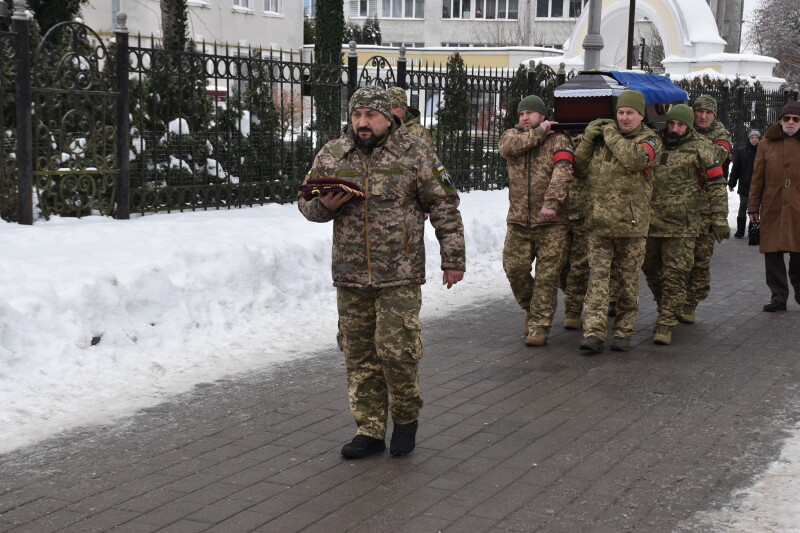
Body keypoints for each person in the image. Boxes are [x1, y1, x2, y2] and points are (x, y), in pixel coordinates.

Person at [298, 86, 466, 459]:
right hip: (351, 274)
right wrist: (322, 207)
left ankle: (405, 419)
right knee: (359, 354)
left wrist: (453, 259)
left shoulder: (414, 152)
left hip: (400, 273)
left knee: (396, 352)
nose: (362, 123)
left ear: (387, 119)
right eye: (357, 115)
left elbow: (443, 204)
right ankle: (369, 429)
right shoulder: (333, 153)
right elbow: (305, 203)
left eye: (370, 116)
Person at [573, 90, 661, 353]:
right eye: (620, 112)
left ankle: (623, 332)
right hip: (599, 225)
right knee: (597, 281)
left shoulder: (651, 140)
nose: (624, 117)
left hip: (631, 226)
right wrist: (588, 140)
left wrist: (609, 133)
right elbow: (578, 168)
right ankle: (594, 333)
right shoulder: (601, 140)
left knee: (627, 282)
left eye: (629, 113)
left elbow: (634, 159)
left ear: (641, 115)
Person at [642, 104, 727, 345]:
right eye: (671, 124)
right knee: (651, 271)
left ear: (688, 127)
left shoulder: (702, 148)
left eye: (680, 125)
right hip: (651, 223)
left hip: (684, 226)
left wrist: (719, 218)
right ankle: (668, 306)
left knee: (675, 274)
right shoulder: (654, 144)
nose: (674, 129)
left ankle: (666, 322)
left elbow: (716, 184)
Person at [498, 95, 573, 346]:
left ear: (543, 115)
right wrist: (538, 133)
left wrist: (551, 203)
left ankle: (540, 326)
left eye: (530, 113)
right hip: (519, 221)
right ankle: (532, 308)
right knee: (514, 269)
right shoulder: (512, 136)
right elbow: (507, 149)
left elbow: (563, 172)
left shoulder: (559, 140)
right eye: (521, 114)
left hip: (552, 223)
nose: (524, 118)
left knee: (547, 277)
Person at [681, 94, 732, 323]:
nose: (702, 116)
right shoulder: (680, 128)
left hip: (706, 208)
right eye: (699, 111)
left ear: (714, 116)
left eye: (708, 112)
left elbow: (714, 155)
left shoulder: (721, 135)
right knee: (677, 261)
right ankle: (675, 300)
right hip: (681, 208)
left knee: (700, 261)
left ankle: (691, 303)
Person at [747, 100, 800, 312]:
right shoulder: (765, 144)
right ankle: (778, 297)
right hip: (773, 203)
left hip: (798, 204)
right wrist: (752, 207)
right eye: (786, 118)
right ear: (780, 121)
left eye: (795, 119)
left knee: (799, 252)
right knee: (773, 253)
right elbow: (757, 178)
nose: (790, 122)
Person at [729, 129, 761, 238]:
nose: (754, 140)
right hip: (744, 184)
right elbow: (735, 169)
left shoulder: (762, 151)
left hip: (758, 185)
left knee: (755, 207)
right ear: (749, 139)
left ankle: (753, 229)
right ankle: (740, 230)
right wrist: (731, 183)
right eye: (752, 138)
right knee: (743, 205)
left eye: (756, 138)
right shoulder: (741, 151)